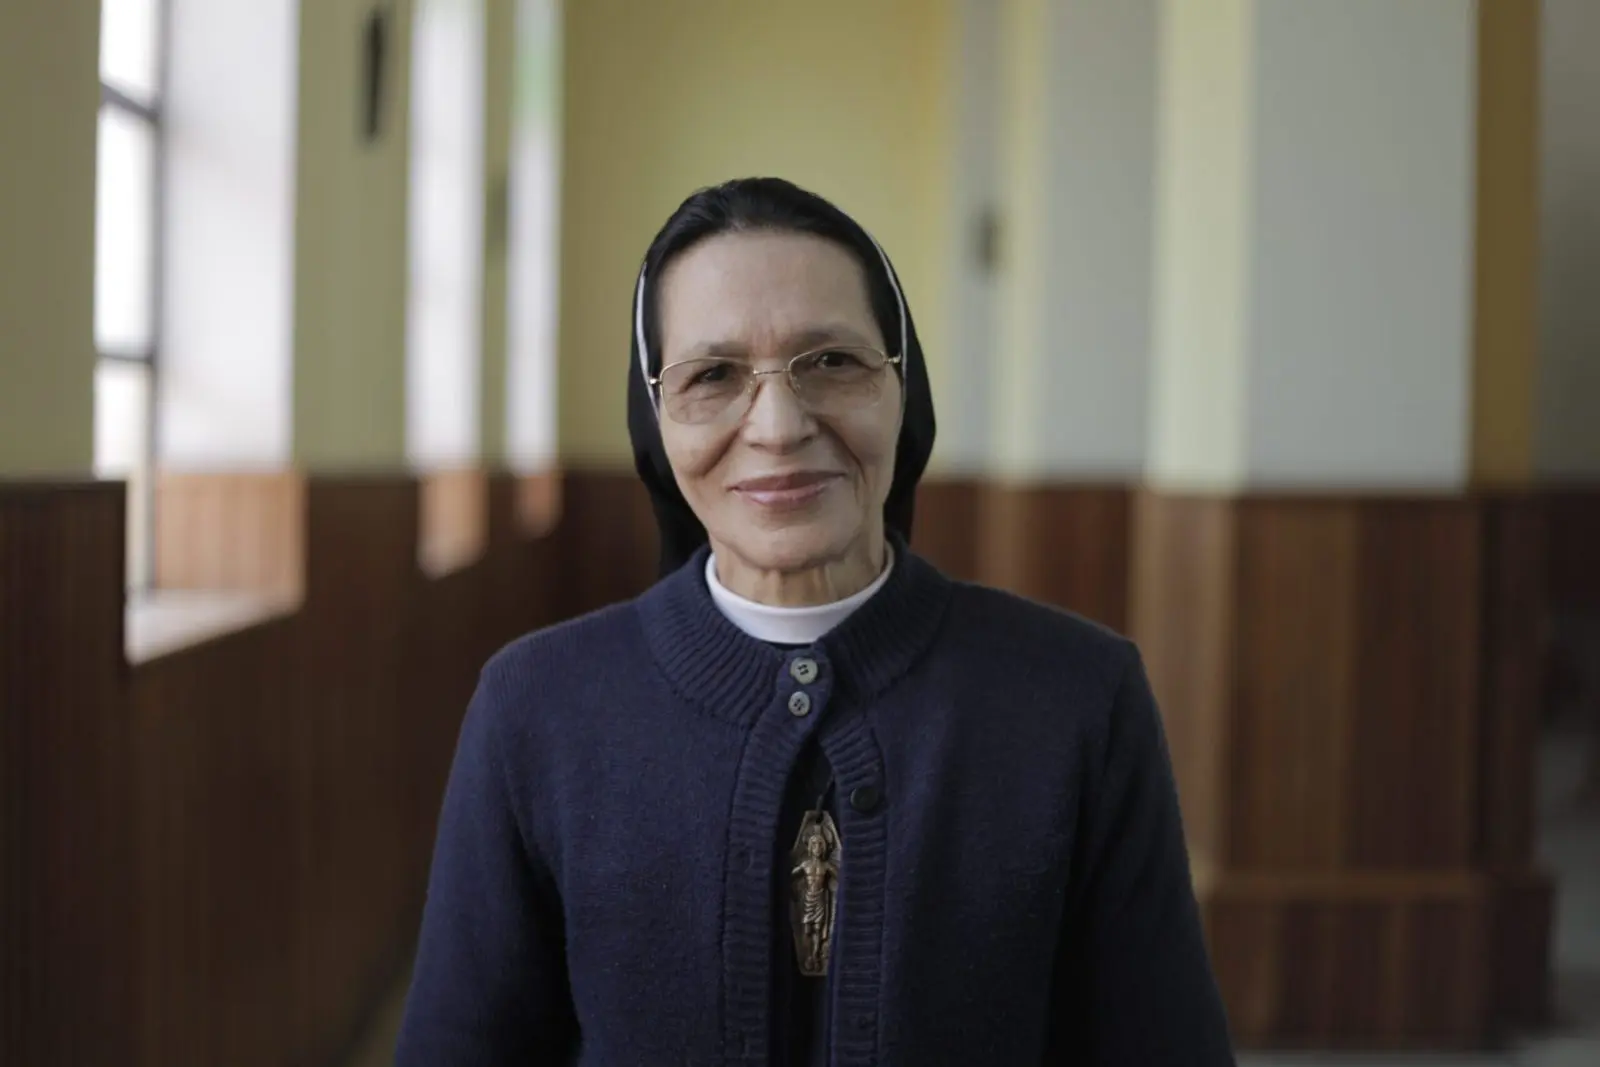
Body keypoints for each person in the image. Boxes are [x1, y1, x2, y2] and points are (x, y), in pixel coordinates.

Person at [395, 177, 1236, 1066]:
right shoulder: (536, 708)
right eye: (713, 376)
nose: (780, 424)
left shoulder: (1079, 701)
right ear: (655, 421)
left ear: (900, 385)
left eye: (832, 361)